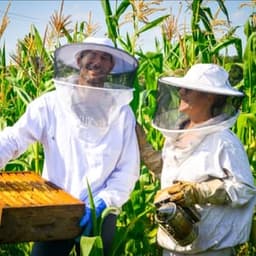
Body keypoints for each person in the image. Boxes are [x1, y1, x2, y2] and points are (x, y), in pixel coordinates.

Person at [0, 37, 140, 256]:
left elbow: (128, 169)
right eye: (92, 54)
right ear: (78, 59)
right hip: (55, 208)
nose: (98, 61)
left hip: (100, 214)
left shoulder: (123, 113)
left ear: (111, 67)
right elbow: (13, 139)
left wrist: (104, 202)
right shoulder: (49, 105)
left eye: (105, 58)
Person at [138, 63, 256, 256]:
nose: (181, 92)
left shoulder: (224, 141)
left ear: (209, 96)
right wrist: (145, 150)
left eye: (188, 89)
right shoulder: (177, 133)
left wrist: (199, 192)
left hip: (210, 247)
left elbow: (245, 189)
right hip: (172, 243)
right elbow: (169, 172)